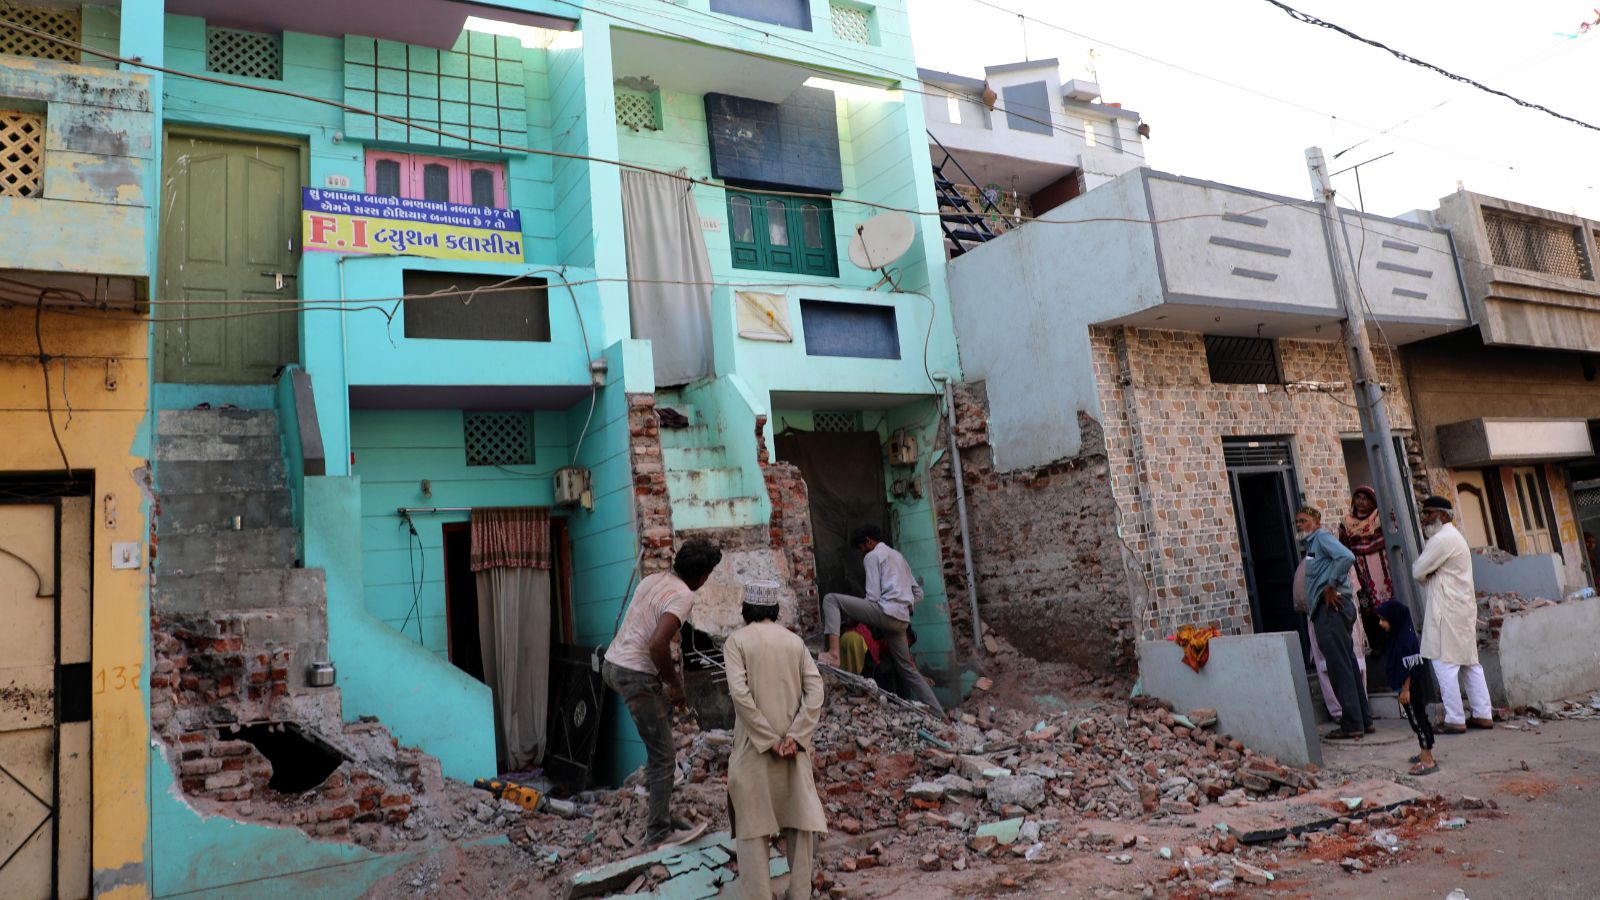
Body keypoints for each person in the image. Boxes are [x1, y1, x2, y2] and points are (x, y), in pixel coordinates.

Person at [602, 537, 723, 846]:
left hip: (612, 665)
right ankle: (658, 831)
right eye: (708, 574)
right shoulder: (683, 596)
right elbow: (657, 644)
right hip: (635, 674)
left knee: (662, 722)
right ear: (701, 574)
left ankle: (659, 795)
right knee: (664, 757)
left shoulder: (654, 579)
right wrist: (676, 684)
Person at [724, 582, 827, 900]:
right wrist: (795, 738)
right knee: (799, 824)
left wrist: (768, 740)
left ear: (746, 610)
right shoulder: (794, 642)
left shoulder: (736, 642)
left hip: (753, 751)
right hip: (792, 752)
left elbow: (739, 695)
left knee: (752, 830)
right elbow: (816, 692)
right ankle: (800, 893)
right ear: (773, 610)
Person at [817, 526, 944, 716]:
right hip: (902, 620)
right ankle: (940, 714)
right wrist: (905, 605)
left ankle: (834, 654)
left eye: (860, 548)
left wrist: (856, 615)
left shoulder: (872, 556)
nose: (861, 554)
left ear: (868, 541)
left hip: (885, 612)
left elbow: (873, 598)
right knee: (908, 670)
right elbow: (919, 593)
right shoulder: (898, 556)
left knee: (831, 600)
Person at [1414, 496, 1493, 734]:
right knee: (1469, 663)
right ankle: (1482, 714)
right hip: (1461, 607)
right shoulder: (1453, 537)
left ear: (1444, 515)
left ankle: (1455, 719)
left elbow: (1418, 571)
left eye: (1429, 513)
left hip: (1447, 609)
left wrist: (1429, 572)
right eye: (1424, 513)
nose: (1425, 518)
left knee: (1445, 663)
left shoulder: (1442, 539)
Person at [1297, 506, 1372, 740]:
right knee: (1346, 662)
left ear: (1316, 522)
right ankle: (1363, 719)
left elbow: (1347, 557)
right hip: (1330, 610)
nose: (1299, 525)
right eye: (1297, 521)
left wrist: (1331, 585)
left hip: (1331, 610)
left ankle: (1351, 723)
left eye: (1304, 520)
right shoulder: (1312, 545)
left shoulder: (1321, 538)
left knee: (1339, 667)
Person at [1374, 600, 1438, 775]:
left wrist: (1405, 689)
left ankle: (1428, 759)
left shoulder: (1404, 641)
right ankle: (1425, 751)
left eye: (1383, 619)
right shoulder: (1400, 635)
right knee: (1418, 719)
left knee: (1417, 721)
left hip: (1410, 690)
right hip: (1409, 689)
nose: (1381, 623)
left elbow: (1409, 667)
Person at [1339, 485, 1393, 659]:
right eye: (1358, 497)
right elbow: (1344, 546)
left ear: (1372, 501)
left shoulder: (1379, 516)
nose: (1361, 501)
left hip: (1383, 568)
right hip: (1360, 570)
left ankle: (1392, 639)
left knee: (1388, 603)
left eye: (1365, 498)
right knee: (1367, 606)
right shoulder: (1346, 522)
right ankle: (1377, 644)